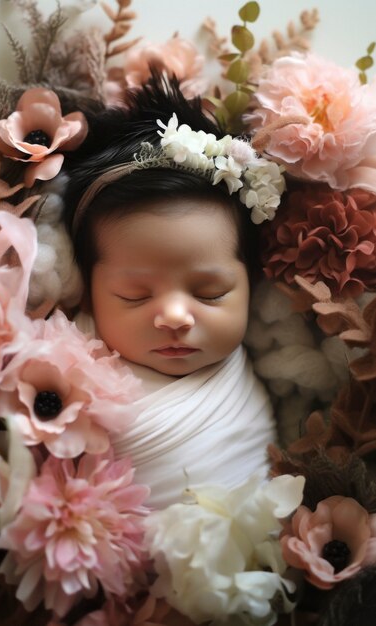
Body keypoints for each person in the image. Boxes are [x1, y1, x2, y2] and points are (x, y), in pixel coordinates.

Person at [64, 76, 280, 508]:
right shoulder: (64, 361)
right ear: (86, 291)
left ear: (251, 284)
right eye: (135, 295)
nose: (176, 317)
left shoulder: (255, 383)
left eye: (211, 292)